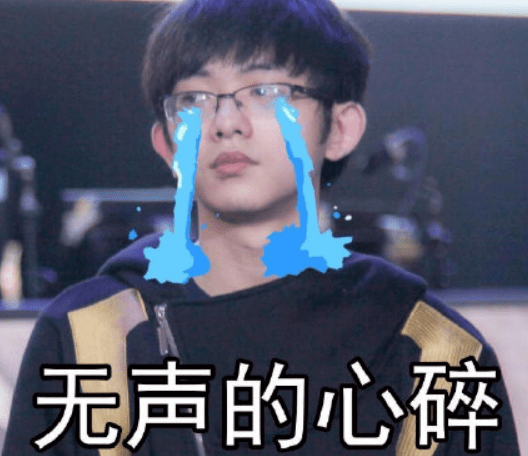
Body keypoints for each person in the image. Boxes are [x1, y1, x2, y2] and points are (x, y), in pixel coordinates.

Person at [3, 0, 520, 454]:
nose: (227, 121)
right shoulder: (89, 338)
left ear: (340, 128)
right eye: (194, 98)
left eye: (266, 91)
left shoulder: (435, 355)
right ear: (166, 144)